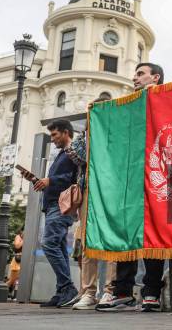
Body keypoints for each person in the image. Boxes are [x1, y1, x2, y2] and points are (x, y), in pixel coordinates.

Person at [96, 63, 167, 312]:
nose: (134, 78)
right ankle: (123, 292)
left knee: (153, 234)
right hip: (129, 177)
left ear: (155, 77)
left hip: (156, 174)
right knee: (127, 232)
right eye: (135, 74)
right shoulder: (127, 104)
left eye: (140, 74)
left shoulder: (167, 97)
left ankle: (151, 291)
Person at [63, 103, 118, 310]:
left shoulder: (115, 134)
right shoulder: (86, 137)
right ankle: (88, 291)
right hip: (88, 190)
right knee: (88, 241)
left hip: (111, 190)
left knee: (111, 240)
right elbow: (75, 155)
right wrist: (89, 131)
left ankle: (109, 290)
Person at [21, 119, 79, 308]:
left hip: (61, 205)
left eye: (55, 135)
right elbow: (56, 180)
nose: (53, 139)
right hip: (54, 204)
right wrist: (38, 180)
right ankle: (62, 291)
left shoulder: (72, 152)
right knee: (59, 247)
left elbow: (72, 178)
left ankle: (68, 288)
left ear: (65, 133)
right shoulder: (62, 154)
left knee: (49, 244)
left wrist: (50, 180)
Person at [6, 227, 23, 299]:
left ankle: (17, 296)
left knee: (21, 280)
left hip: (25, 260)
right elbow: (17, 245)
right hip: (18, 260)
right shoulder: (18, 236)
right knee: (12, 280)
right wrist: (24, 239)